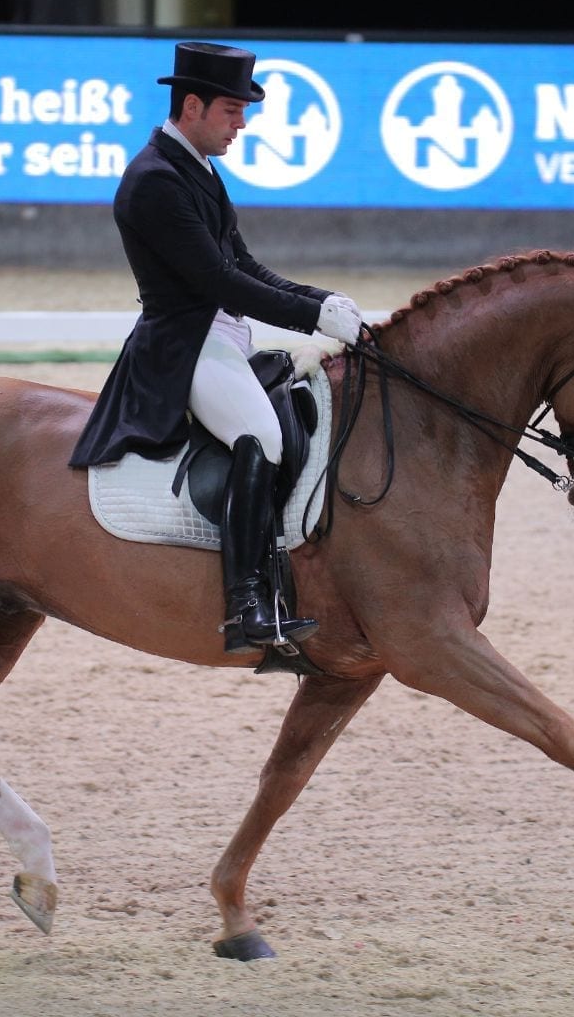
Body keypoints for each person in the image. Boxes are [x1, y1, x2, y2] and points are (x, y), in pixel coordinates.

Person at [69, 40, 363, 655]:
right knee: (263, 437)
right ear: (193, 105)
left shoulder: (198, 170)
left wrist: (322, 299)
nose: (243, 124)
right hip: (184, 345)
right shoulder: (154, 181)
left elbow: (246, 264)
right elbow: (218, 282)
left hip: (222, 336)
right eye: (233, 110)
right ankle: (247, 602)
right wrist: (313, 316)